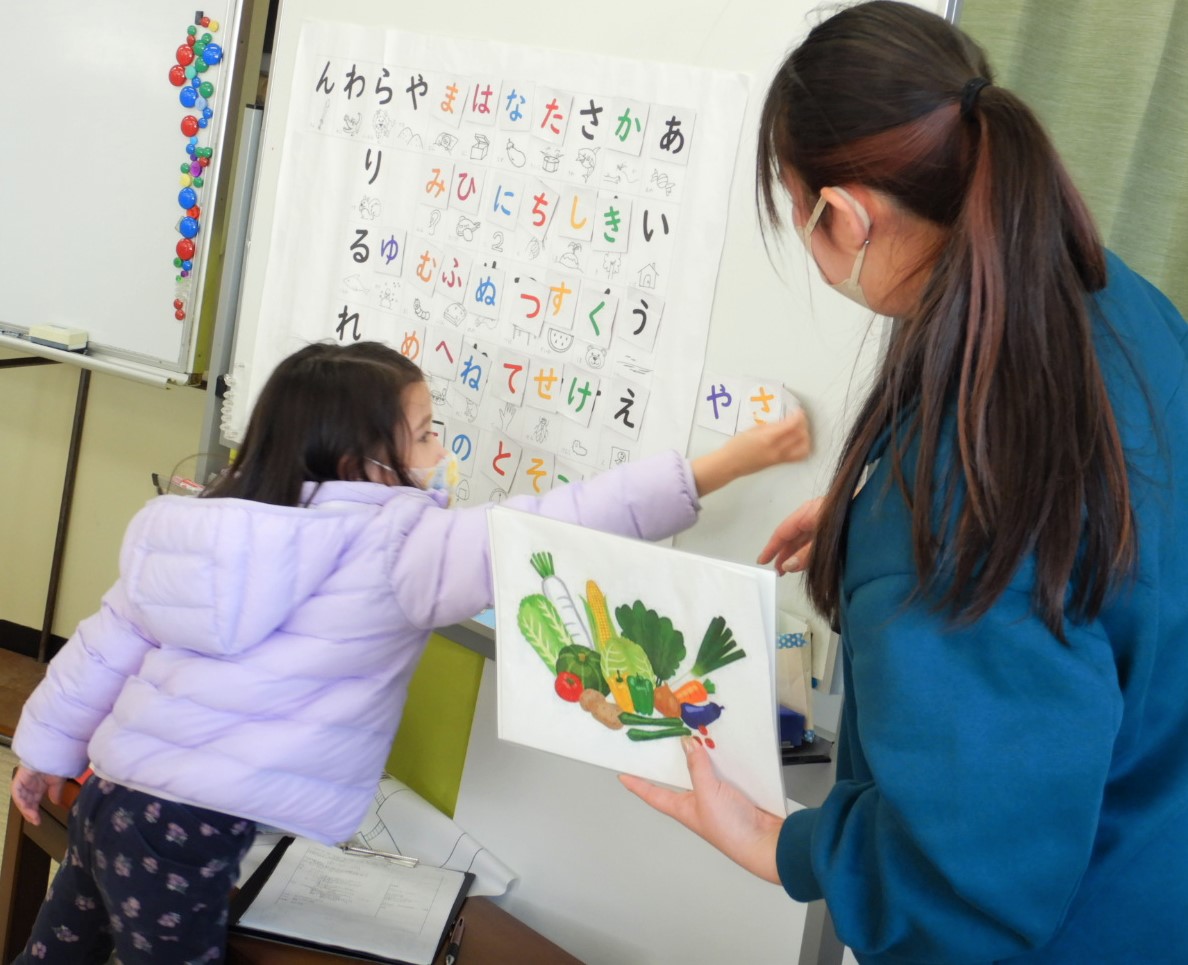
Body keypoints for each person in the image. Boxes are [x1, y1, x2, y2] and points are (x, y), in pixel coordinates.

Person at [621, 2, 1188, 962]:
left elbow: (964, 891)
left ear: (843, 216)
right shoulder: (1113, 299)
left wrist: (777, 840)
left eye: (795, 213)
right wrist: (883, 527)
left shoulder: (951, 508)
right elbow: (1108, 541)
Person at [9, 339, 811, 965]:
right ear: (360, 461)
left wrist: (43, 751)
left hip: (110, 795)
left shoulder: (207, 521)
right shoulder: (402, 545)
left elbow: (104, 645)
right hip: (185, 832)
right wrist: (739, 458)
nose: (439, 448)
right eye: (425, 434)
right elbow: (570, 518)